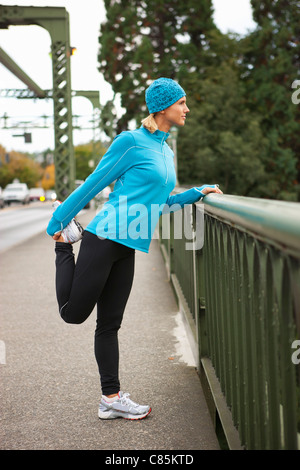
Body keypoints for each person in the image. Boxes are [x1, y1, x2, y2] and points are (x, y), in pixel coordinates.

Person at [46, 77, 223, 421]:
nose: (187, 109)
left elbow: (160, 203)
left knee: (110, 323)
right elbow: (94, 183)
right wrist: (57, 220)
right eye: (182, 103)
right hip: (104, 236)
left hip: (130, 244)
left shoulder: (166, 150)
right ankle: (65, 245)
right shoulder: (130, 142)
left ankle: (110, 398)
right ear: (163, 107)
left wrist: (196, 192)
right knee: (73, 314)